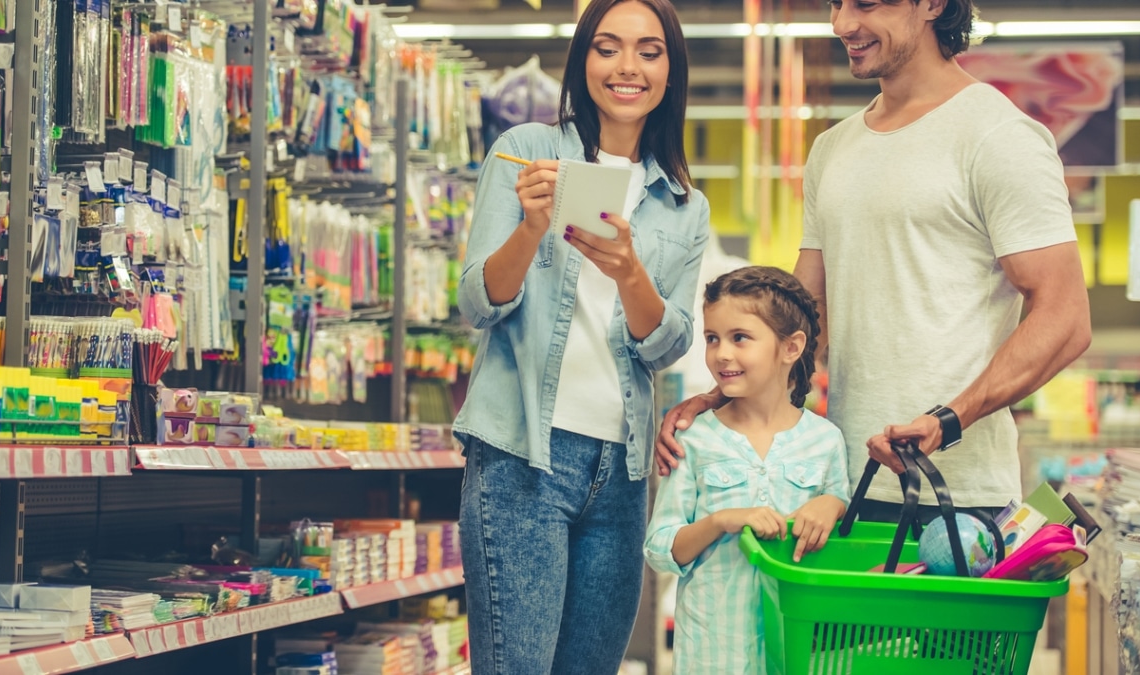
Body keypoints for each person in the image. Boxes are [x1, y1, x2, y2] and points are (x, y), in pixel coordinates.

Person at [656, 0, 1091, 526]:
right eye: (836, 4)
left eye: (866, 4)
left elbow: (1066, 318)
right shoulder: (834, 149)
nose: (842, 24)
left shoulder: (998, 136)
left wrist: (948, 421)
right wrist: (725, 397)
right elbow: (800, 316)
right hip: (840, 487)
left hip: (957, 498)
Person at [453, 0, 710, 671]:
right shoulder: (526, 150)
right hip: (521, 458)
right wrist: (531, 228)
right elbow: (478, 301)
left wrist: (630, 273)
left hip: (622, 473)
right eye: (608, 47)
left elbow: (670, 342)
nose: (628, 67)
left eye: (649, 51)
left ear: (670, 70)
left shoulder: (684, 204)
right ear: (582, 60)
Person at [644, 266, 849, 674]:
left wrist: (833, 504)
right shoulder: (695, 440)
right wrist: (722, 521)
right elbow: (660, 548)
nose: (722, 353)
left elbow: (838, 517)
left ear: (791, 348)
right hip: (713, 654)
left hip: (799, 653)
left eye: (740, 338)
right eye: (712, 338)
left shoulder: (825, 441)